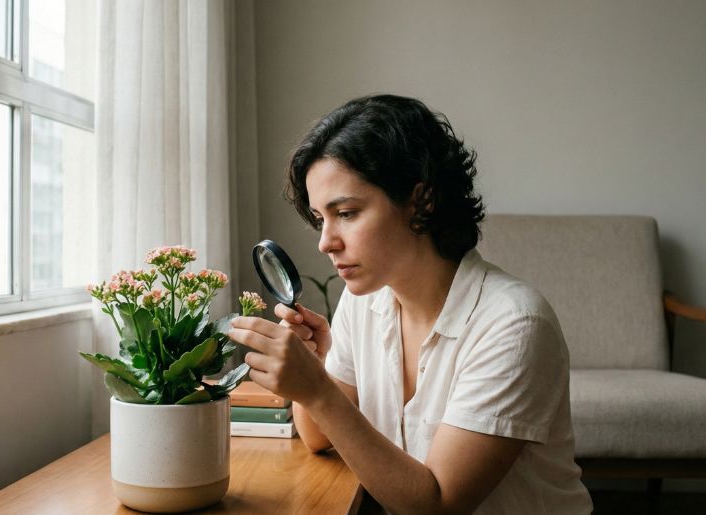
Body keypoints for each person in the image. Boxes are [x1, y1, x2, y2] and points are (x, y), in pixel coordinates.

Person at [228, 94, 593, 514]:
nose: (326, 243)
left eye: (346, 213)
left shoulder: (514, 325)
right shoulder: (364, 302)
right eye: (320, 219)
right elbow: (318, 438)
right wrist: (311, 370)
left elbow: (437, 504)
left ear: (422, 201)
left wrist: (317, 388)